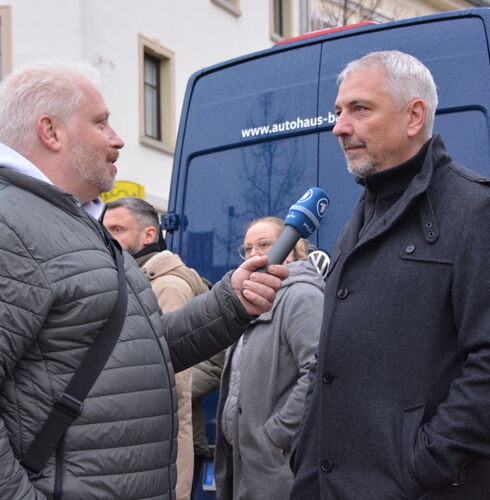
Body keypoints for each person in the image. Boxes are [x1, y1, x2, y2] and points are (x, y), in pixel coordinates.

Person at [0, 60, 287, 500]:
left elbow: (138, 353)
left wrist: (231, 302)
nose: (117, 139)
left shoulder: (73, 221)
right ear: (50, 131)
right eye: (101, 123)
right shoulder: (12, 225)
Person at [290, 50, 490, 499]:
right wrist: (304, 446)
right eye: (338, 112)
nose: (339, 127)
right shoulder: (363, 213)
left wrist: (425, 463)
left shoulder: (477, 210)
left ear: (414, 116)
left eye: (359, 109)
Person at [103, 196, 207, 500]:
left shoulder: (167, 286)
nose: (107, 238)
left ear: (149, 235)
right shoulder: (128, 279)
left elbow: (169, 381)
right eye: (104, 229)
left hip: (157, 452)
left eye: (117, 229)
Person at [215, 216, 325, 500]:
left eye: (264, 245)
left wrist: (278, 434)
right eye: (247, 248)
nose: (253, 254)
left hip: (275, 462)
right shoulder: (252, 299)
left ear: (291, 249)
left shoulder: (301, 296)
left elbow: (318, 372)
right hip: (243, 460)